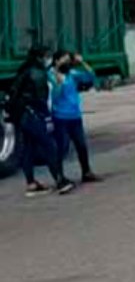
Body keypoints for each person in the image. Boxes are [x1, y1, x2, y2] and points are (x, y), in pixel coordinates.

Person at [9, 46, 75, 196]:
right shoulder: (38, 73)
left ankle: (31, 184)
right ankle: (60, 181)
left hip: (23, 115)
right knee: (49, 146)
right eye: (47, 56)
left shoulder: (24, 69)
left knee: (28, 148)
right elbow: (40, 98)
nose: (49, 60)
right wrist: (46, 117)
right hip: (34, 115)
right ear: (40, 57)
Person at [50, 50, 100, 184]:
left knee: (81, 145)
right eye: (64, 60)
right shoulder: (51, 76)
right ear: (56, 61)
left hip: (75, 116)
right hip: (60, 117)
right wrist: (59, 84)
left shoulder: (72, 74)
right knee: (62, 147)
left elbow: (91, 76)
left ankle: (86, 172)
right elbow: (54, 97)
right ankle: (59, 177)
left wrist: (82, 62)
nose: (68, 63)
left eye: (69, 61)